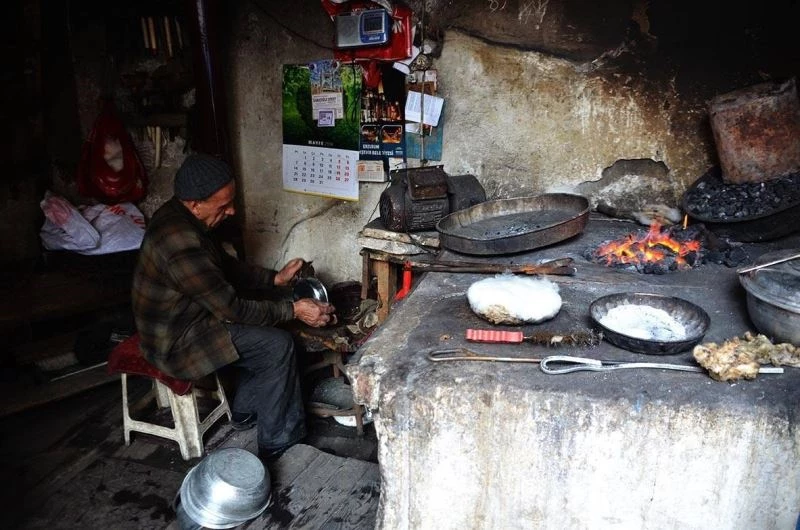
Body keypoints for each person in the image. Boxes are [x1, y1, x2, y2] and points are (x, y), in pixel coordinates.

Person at [131, 153, 336, 461]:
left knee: (268, 319)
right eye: (223, 206)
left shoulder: (183, 217)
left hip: (191, 317)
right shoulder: (179, 243)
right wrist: (294, 310)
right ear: (195, 203)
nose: (232, 211)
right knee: (277, 344)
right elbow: (232, 310)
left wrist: (275, 279)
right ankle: (278, 441)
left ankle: (245, 410)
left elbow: (225, 268)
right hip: (174, 341)